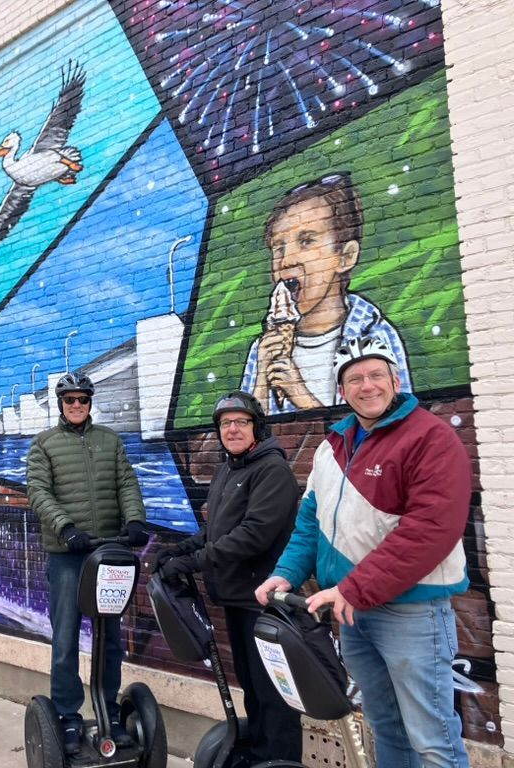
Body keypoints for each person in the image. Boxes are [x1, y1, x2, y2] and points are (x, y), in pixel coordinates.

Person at [255, 336, 471, 768]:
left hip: (411, 614)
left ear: (395, 381)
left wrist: (354, 589)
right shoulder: (332, 446)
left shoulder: (430, 438)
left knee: (432, 738)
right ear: (342, 390)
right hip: (353, 613)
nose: (367, 385)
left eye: (376, 375)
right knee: (385, 725)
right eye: (355, 378)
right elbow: (311, 522)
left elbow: (430, 529)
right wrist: (286, 573)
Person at [154, 391, 303, 763]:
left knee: (274, 699)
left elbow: (253, 535)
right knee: (252, 691)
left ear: (257, 427)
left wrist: (194, 563)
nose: (232, 429)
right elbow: (215, 530)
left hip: (265, 606)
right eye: (225, 423)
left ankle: (279, 761)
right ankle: (260, 757)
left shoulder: (272, 471)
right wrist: (180, 549)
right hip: (237, 600)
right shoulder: (229, 469)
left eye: (241, 422)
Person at [26, 373, 151, 754]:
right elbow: (38, 491)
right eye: (70, 400)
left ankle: (109, 710)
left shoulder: (110, 440)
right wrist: (66, 527)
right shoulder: (44, 444)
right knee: (65, 638)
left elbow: (126, 483)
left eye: (83, 399)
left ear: (90, 402)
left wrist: (135, 520)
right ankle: (67, 715)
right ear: (61, 404)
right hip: (67, 555)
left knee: (110, 638)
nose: (77, 405)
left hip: (107, 552)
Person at [240, 173, 411, 414]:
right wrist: (261, 379)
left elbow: (394, 426)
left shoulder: (373, 335)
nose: (286, 260)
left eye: (306, 241)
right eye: (279, 248)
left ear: (345, 257)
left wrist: (301, 396)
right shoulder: (262, 348)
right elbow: (250, 431)